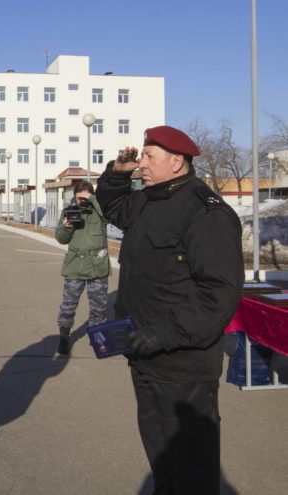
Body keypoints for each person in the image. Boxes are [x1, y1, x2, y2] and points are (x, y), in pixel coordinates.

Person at [96, 125, 244, 494]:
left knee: (192, 469)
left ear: (176, 162)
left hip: (183, 367)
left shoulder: (205, 213)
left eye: (149, 157)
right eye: (142, 156)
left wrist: (159, 334)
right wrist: (118, 173)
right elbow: (112, 207)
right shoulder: (148, 200)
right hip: (145, 356)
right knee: (161, 458)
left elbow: (217, 294)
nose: (141, 164)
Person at [55, 181, 110, 355]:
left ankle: (97, 339)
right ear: (74, 197)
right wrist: (66, 227)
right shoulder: (69, 211)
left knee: (99, 308)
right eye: (80, 198)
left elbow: (108, 217)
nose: (82, 202)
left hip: (97, 266)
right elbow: (61, 238)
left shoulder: (99, 211)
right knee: (68, 306)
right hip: (75, 266)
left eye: (86, 198)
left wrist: (93, 200)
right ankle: (64, 337)